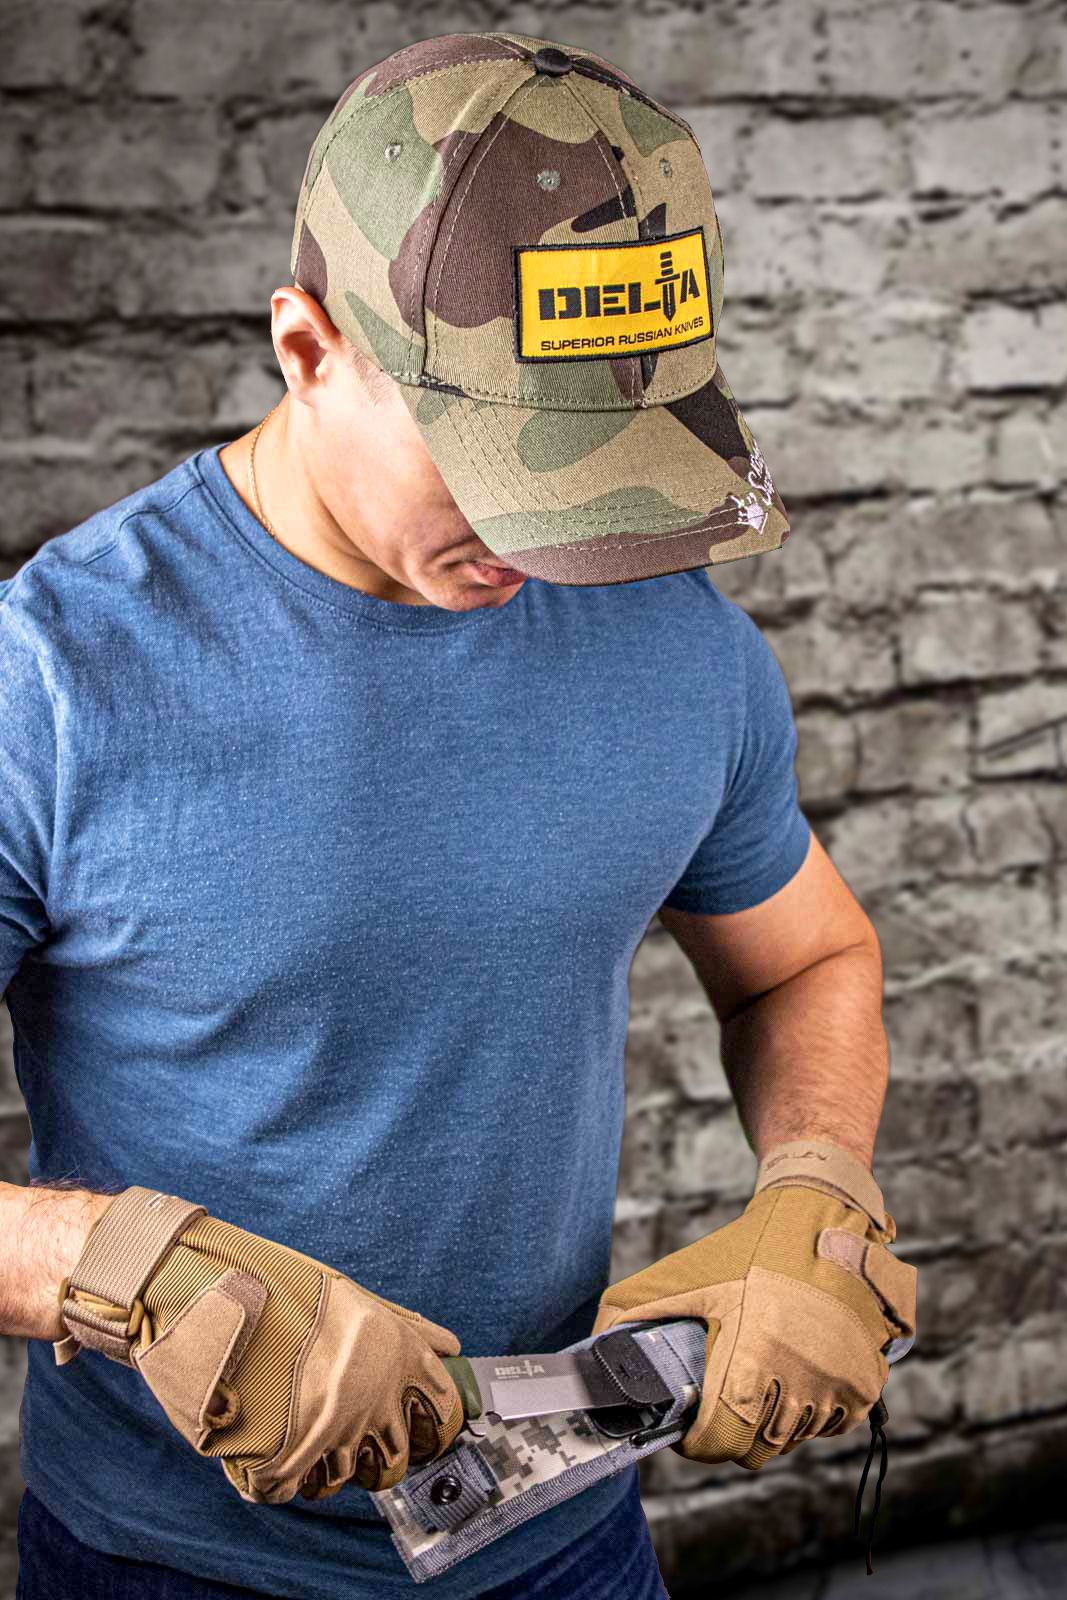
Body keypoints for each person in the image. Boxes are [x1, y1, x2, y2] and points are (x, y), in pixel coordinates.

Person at [2, 29, 915, 1600]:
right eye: (501, 463)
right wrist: (118, 1273)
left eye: (600, 466)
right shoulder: (56, 679)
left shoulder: (673, 638)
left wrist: (817, 1184)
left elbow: (805, 962)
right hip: (175, 1564)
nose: (549, 538)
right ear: (307, 348)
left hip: (569, 1539)